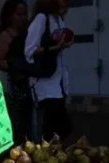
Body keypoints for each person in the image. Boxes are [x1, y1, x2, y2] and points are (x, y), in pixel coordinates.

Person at [25, 0, 73, 141]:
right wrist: (54, 48)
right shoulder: (41, 18)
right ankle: (46, 155)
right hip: (45, 82)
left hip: (58, 81)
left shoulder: (58, 18)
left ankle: (52, 155)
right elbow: (29, 50)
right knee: (59, 126)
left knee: (56, 128)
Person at [0, 0, 33, 144]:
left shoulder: (28, 32)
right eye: (19, 14)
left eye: (25, 14)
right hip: (16, 86)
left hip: (30, 84)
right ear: (10, 15)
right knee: (19, 124)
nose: (23, 18)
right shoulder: (6, 35)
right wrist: (16, 66)